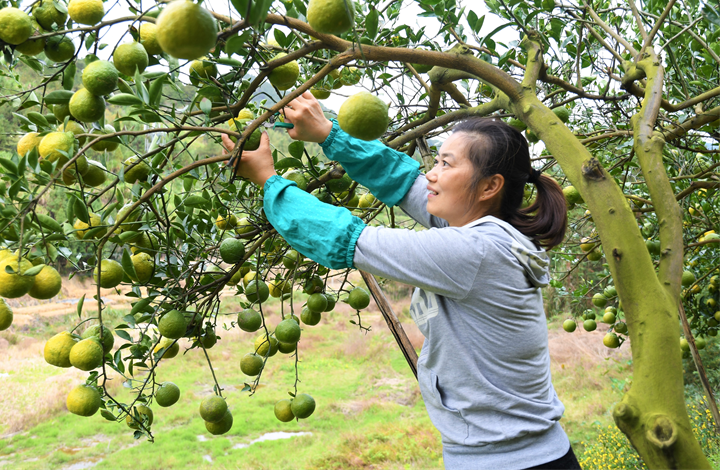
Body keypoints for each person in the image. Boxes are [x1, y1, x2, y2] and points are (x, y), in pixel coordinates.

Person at [221, 91, 581, 470]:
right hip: (522, 456)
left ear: (490, 186)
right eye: (437, 160)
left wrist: (268, 180)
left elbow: (344, 237)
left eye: (446, 164)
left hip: (512, 463)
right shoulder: (492, 234)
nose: (432, 173)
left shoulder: (475, 251)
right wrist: (328, 133)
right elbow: (402, 179)